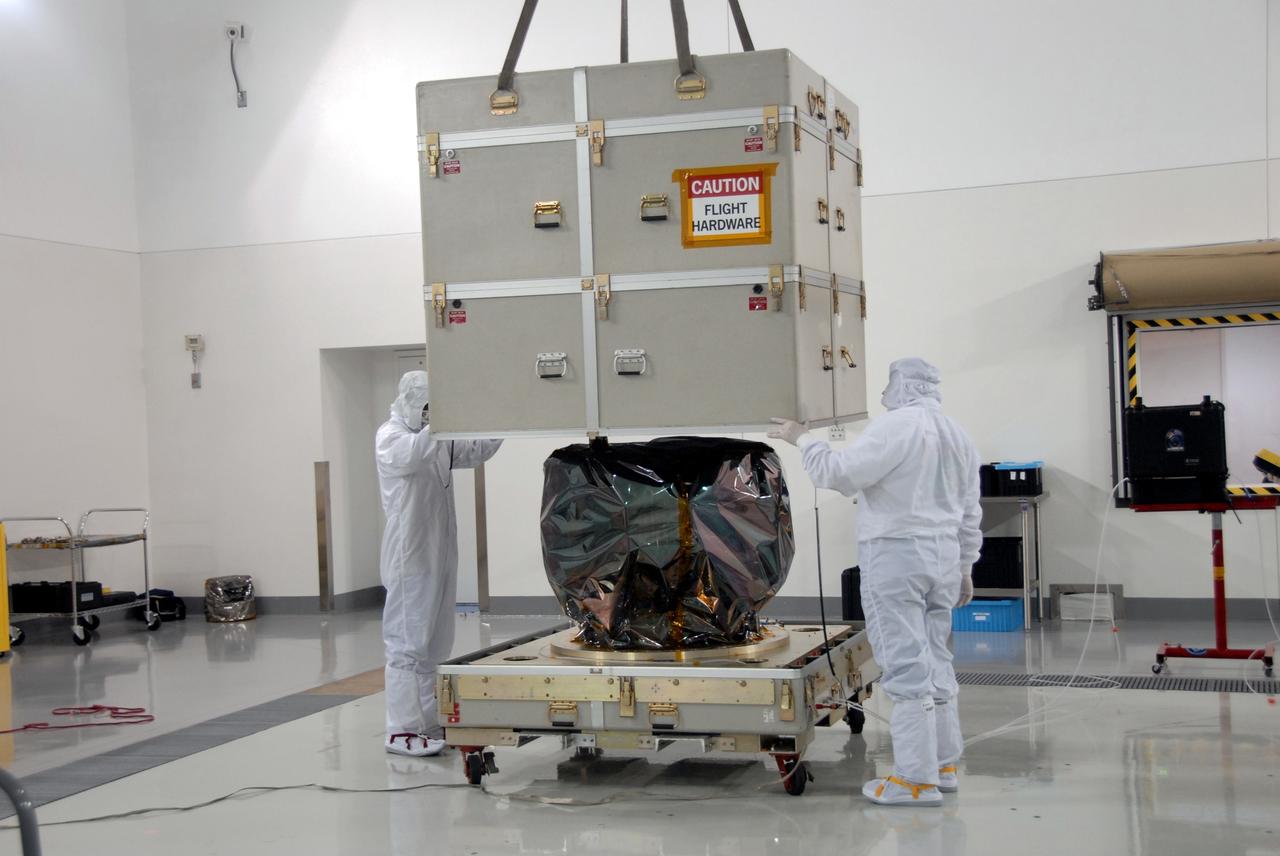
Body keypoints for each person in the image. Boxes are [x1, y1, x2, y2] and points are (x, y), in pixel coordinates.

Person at [768, 357, 981, 806]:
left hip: (898, 556)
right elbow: (969, 509)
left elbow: (839, 475)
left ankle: (914, 781)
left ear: (901, 386)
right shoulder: (956, 433)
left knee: (906, 667)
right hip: (942, 560)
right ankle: (943, 765)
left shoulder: (897, 428)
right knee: (937, 661)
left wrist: (802, 438)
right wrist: (965, 565)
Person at [377, 371, 502, 757]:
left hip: (439, 552)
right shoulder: (391, 436)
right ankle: (401, 729)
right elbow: (416, 453)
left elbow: (476, 449)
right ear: (411, 402)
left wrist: (500, 416)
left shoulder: (434, 437)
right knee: (407, 642)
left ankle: (428, 723)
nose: (431, 414)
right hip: (409, 556)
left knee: (434, 643)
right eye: (427, 407)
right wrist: (443, 424)